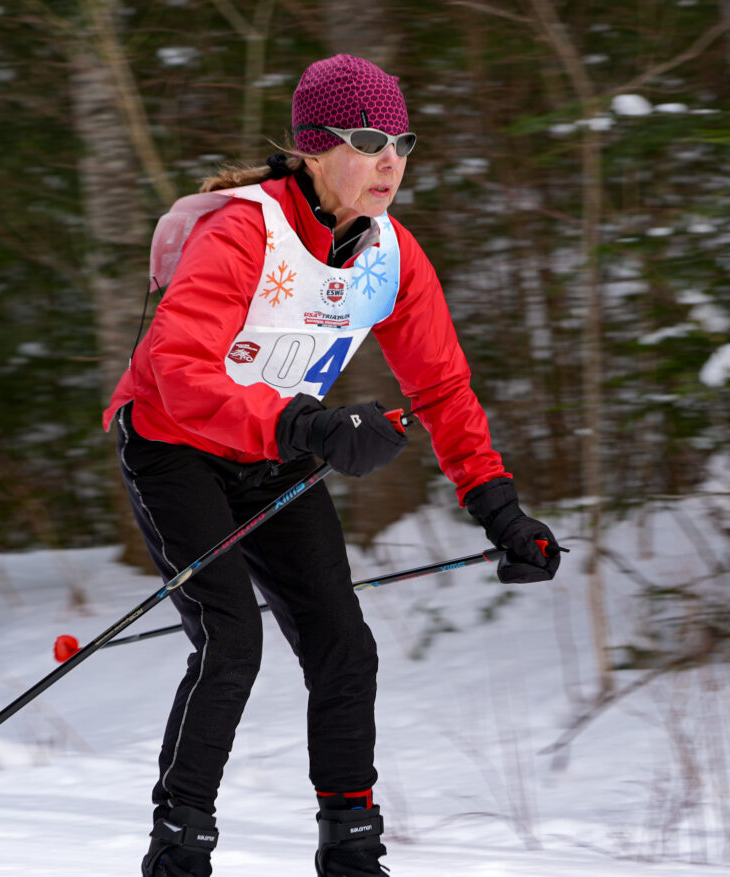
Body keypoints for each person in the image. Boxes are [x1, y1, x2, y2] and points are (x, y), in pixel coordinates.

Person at [102, 53, 562, 877]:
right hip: (174, 445)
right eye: (367, 139)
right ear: (314, 148)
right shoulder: (244, 230)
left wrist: (500, 509)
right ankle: (178, 848)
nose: (391, 160)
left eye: (403, 142)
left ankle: (351, 850)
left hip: (273, 455)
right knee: (230, 639)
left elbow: (445, 386)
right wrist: (310, 425)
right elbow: (177, 366)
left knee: (343, 644)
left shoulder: (391, 256)